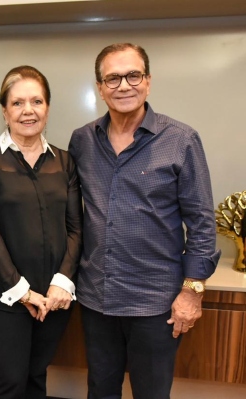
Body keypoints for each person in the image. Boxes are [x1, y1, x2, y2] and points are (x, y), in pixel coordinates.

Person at [68, 43, 221, 399]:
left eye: (133, 75)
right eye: (113, 78)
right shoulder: (82, 141)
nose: (124, 85)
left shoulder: (181, 140)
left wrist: (192, 291)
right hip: (96, 299)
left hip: (155, 303)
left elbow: (201, 221)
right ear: (100, 87)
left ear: (148, 82)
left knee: (151, 393)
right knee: (100, 389)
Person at [0, 65, 83, 398]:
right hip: (4, 296)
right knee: (10, 383)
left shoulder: (64, 161)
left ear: (47, 108)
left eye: (37, 101)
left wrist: (63, 282)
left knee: (35, 377)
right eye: (17, 103)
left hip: (54, 295)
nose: (28, 110)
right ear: (4, 111)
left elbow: (76, 228)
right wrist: (21, 290)